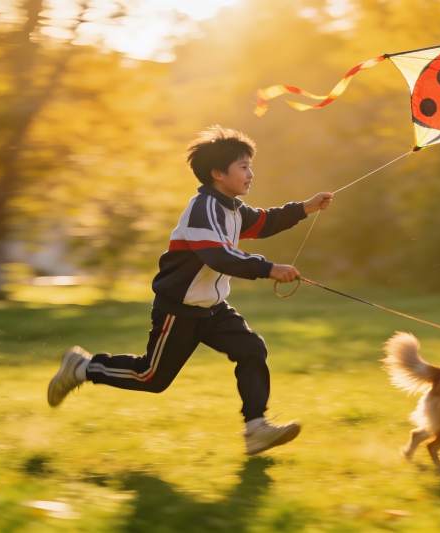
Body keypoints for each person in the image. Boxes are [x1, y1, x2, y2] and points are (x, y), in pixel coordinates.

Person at [47, 125, 333, 455]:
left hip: (212, 308)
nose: (251, 174)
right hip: (179, 308)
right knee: (151, 378)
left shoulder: (232, 209)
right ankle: (83, 368)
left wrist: (306, 208)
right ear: (217, 173)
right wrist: (269, 268)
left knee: (252, 349)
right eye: (243, 167)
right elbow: (220, 256)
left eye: (249, 166)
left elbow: (265, 222)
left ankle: (256, 428)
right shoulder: (203, 209)